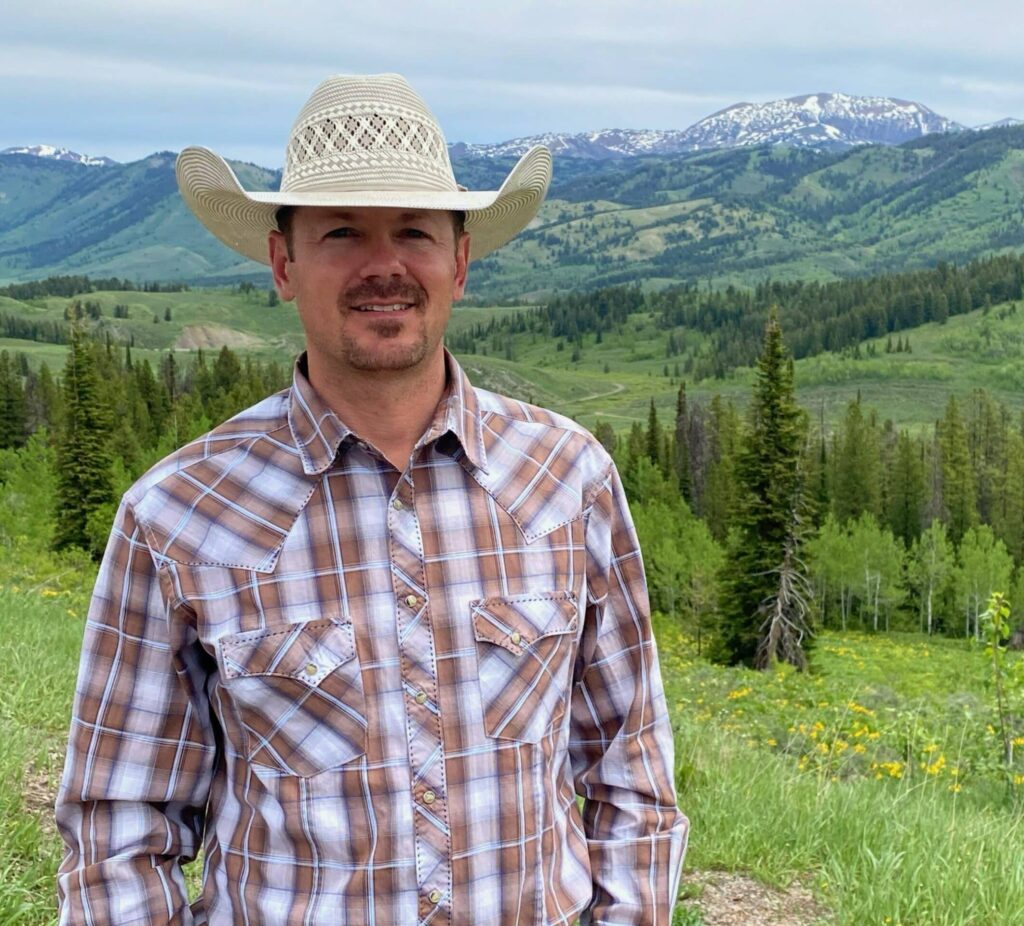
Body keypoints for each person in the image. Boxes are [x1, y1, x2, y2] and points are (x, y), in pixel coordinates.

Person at [56, 73, 688, 925]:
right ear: (283, 263)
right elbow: (117, 833)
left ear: (460, 262)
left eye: (415, 233)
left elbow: (630, 771)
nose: (383, 265)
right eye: (343, 232)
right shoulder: (177, 515)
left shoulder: (569, 480)